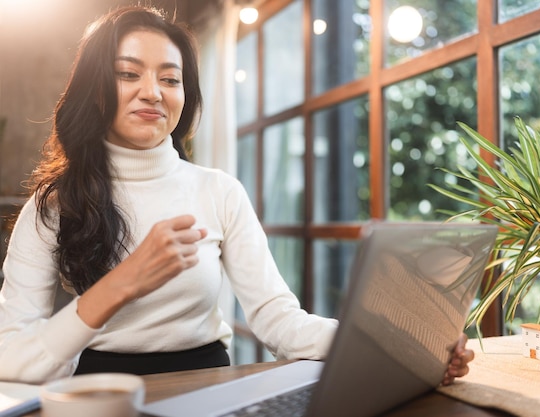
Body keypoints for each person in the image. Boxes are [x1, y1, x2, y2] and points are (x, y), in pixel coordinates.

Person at [0, 6, 474, 385]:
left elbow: (279, 322)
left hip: (210, 384)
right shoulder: (54, 205)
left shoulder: (218, 190)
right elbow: (12, 359)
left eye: (170, 78)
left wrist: (404, 342)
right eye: (129, 74)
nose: (153, 93)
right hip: (103, 394)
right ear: (95, 89)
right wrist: (121, 285)